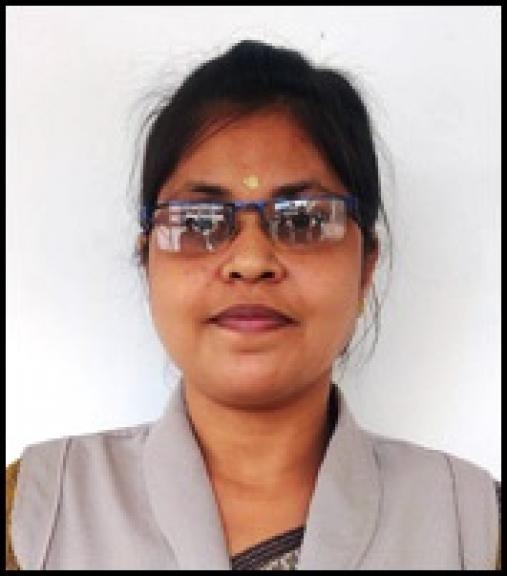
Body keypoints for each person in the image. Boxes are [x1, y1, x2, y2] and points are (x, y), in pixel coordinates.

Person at [6, 40, 500, 570]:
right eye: (198, 222)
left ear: (366, 268)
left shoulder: (473, 527)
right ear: (147, 262)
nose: (250, 261)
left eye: (304, 219)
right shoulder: (36, 515)